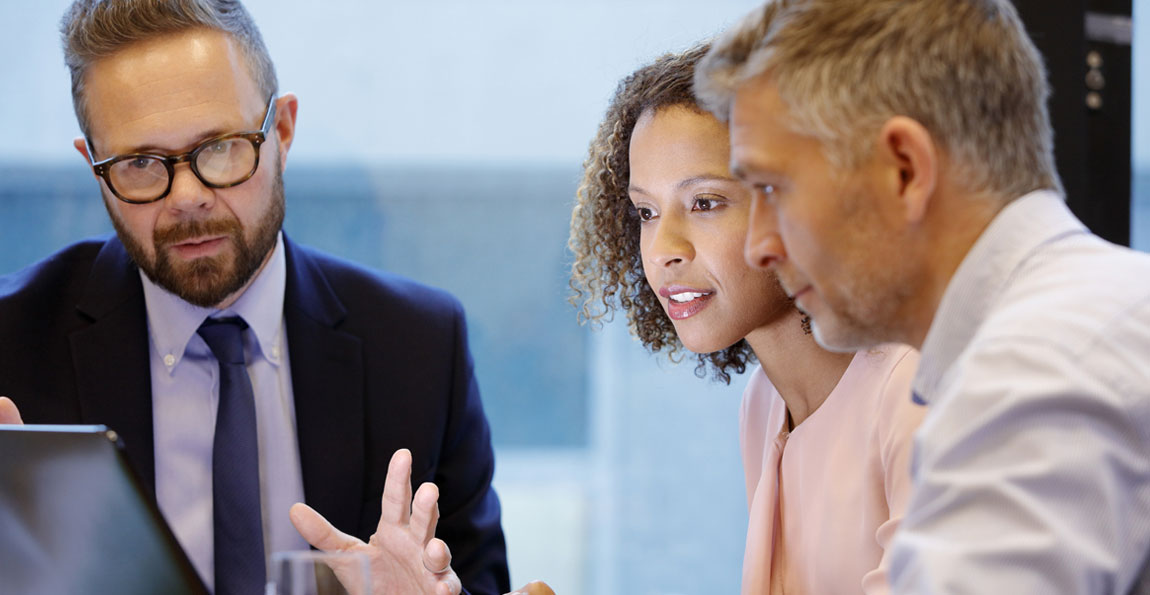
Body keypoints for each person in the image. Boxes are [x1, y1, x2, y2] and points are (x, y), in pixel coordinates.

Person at [0, 1, 508, 593]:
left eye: (219, 148)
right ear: (94, 167)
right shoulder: (11, 347)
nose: (188, 196)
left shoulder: (420, 346)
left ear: (283, 132)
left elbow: (482, 582)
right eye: (140, 162)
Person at [694, 0, 1150, 592]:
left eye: (773, 189)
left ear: (905, 169)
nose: (758, 246)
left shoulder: (1039, 369)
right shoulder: (1097, 309)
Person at [567, 45, 924, 593]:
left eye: (706, 202)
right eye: (646, 212)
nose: (663, 248)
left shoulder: (913, 387)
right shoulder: (764, 406)